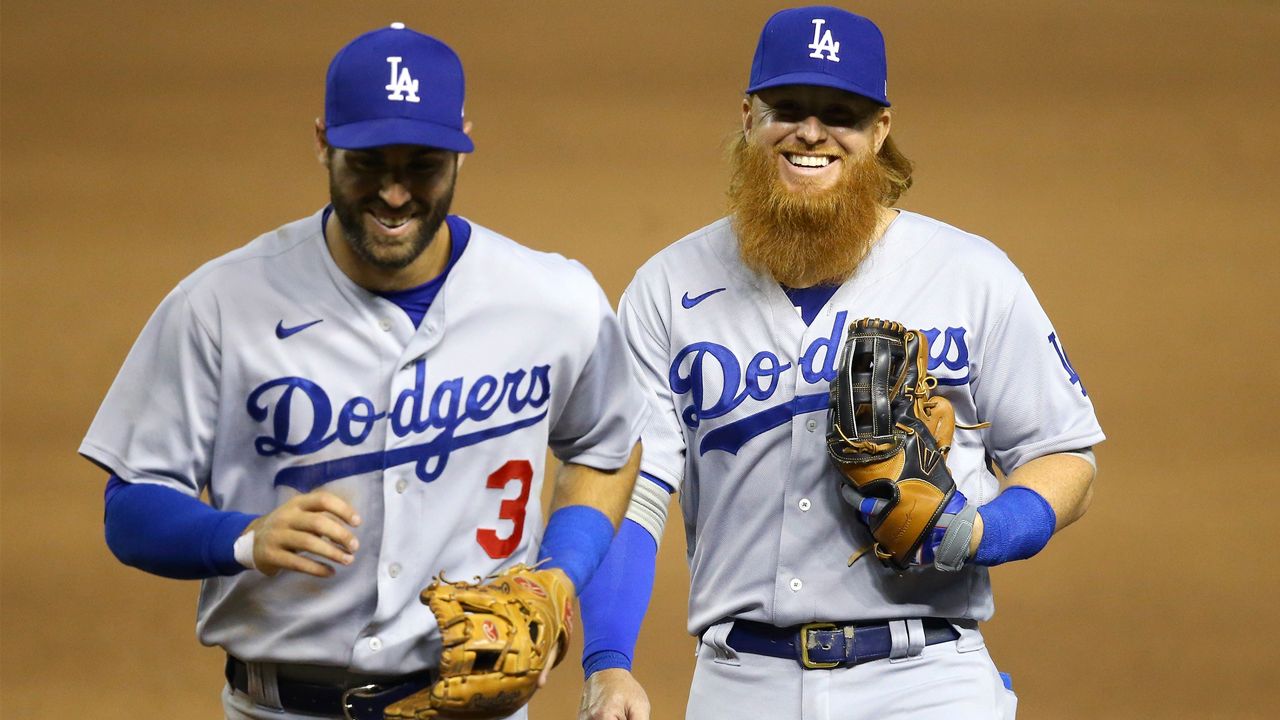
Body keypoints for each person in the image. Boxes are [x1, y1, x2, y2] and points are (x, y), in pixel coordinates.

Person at [80, 23, 648, 720]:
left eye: (422, 165)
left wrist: (560, 575)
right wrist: (244, 539)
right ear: (322, 141)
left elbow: (609, 445)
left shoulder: (551, 300)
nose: (395, 194)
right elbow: (132, 502)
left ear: (463, 147)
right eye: (368, 164)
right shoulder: (220, 305)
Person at [575, 7, 1104, 720]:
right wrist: (608, 663)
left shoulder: (969, 274)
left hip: (925, 680)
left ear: (880, 130)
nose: (812, 133)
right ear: (748, 116)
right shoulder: (669, 287)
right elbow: (633, 490)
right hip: (740, 683)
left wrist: (982, 531)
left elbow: (1064, 454)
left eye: (841, 114)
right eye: (787, 109)